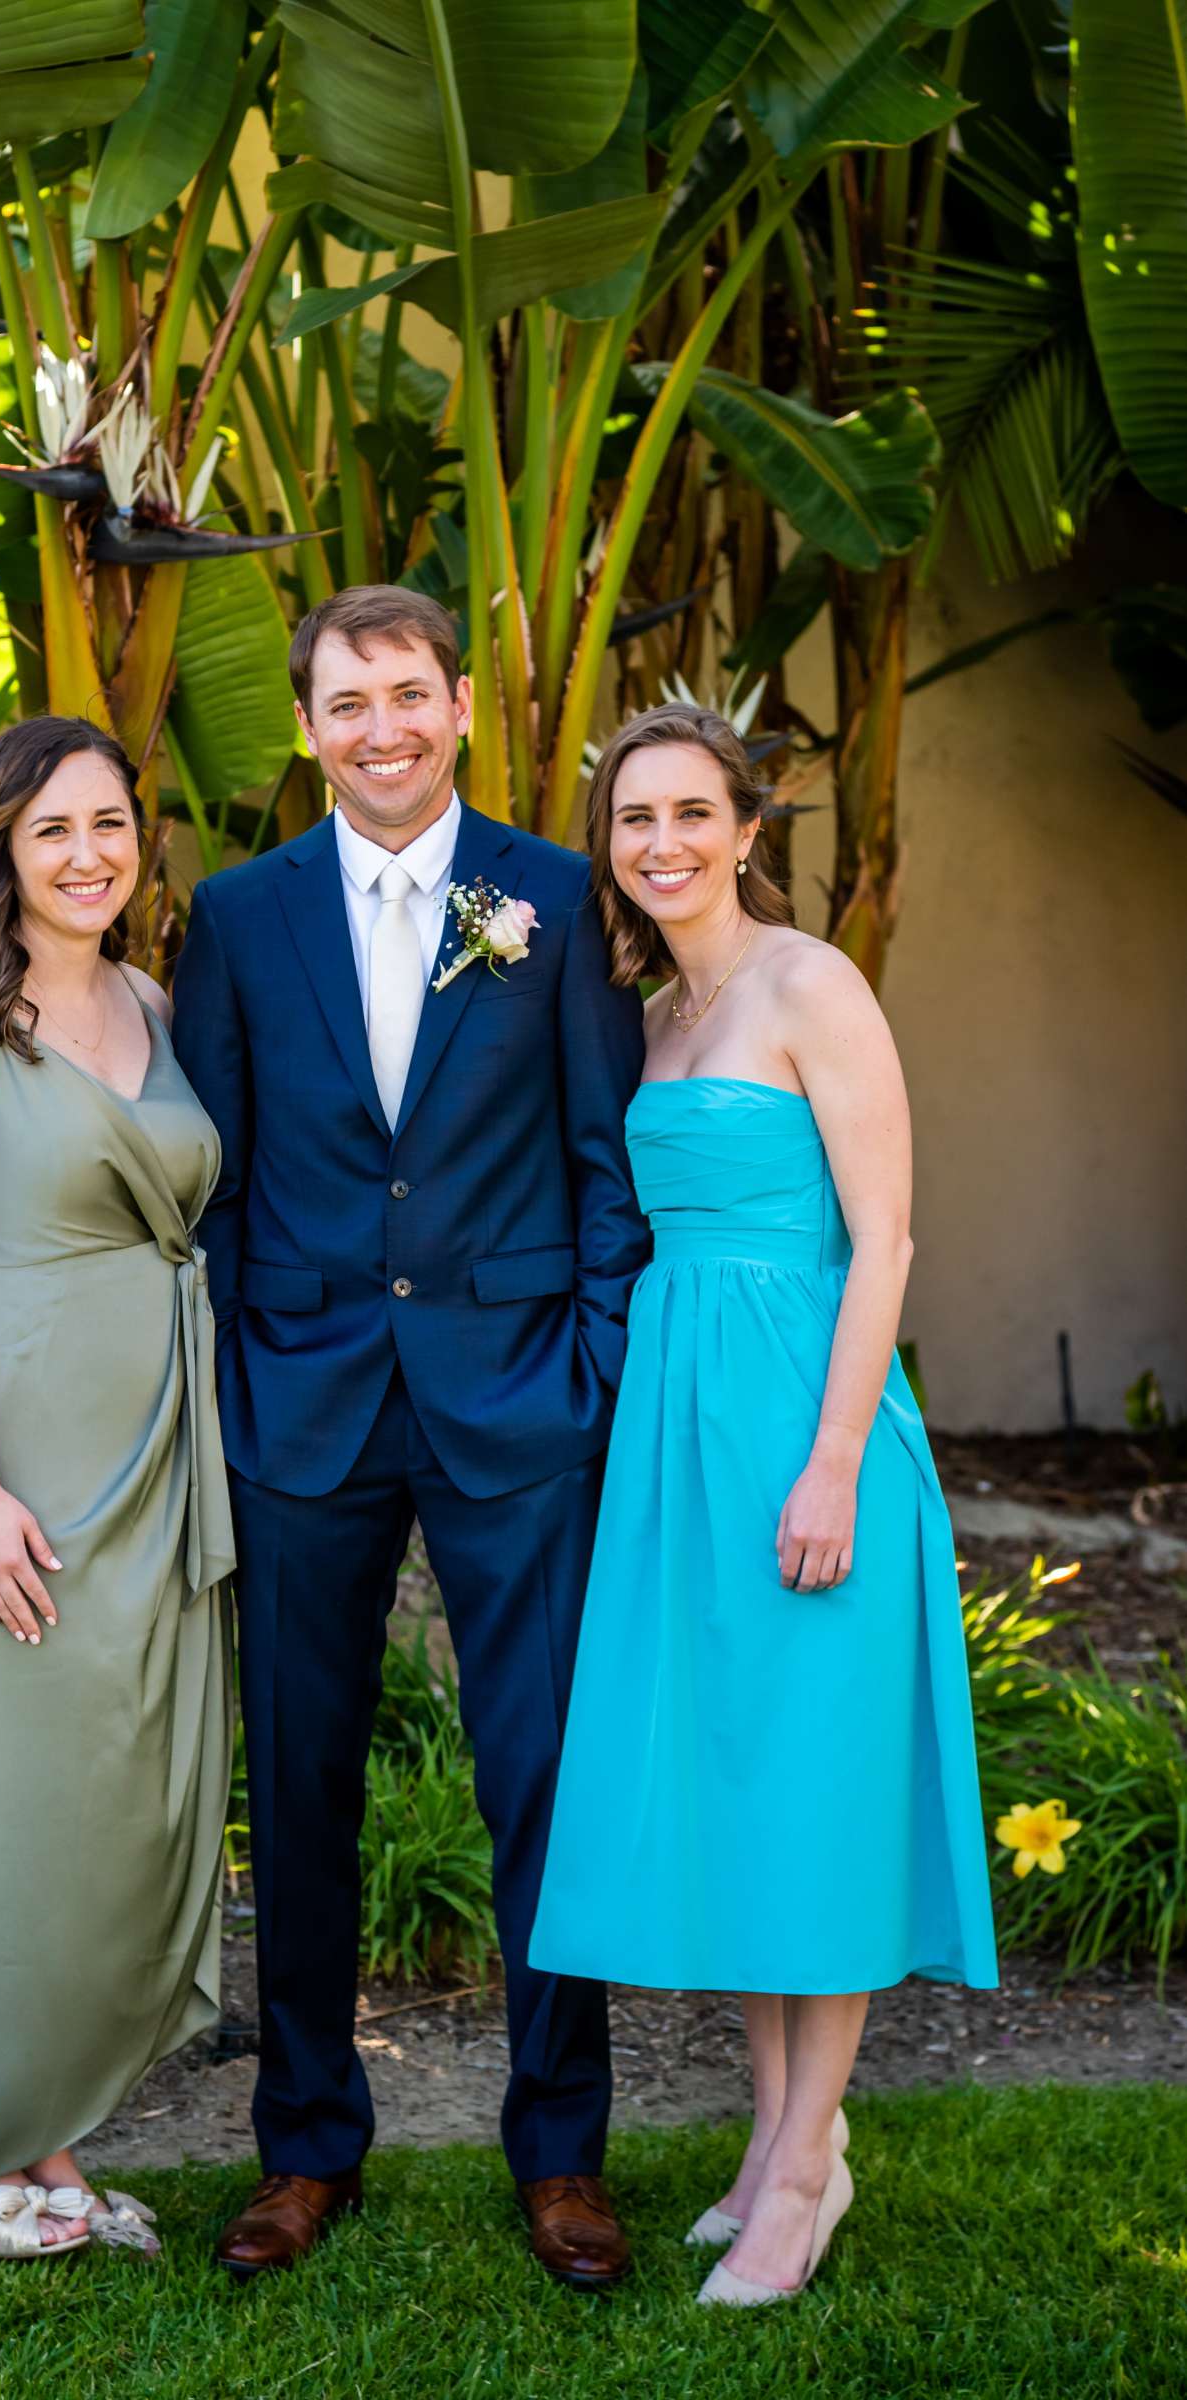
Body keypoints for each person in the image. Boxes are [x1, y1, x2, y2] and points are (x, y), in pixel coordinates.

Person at [172, 587, 649, 2286]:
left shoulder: (554, 894)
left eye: (408, 696)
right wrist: (237, 1375)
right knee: (299, 1782)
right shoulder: (235, 917)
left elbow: (606, 1158)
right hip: (301, 1398)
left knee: (539, 1777)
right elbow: (214, 1180)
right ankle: (306, 2146)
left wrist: (587, 1365)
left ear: (459, 706)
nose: (379, 729)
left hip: (520, 1393)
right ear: (306, 726)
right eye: (345, 704)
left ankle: (560, 2152)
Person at [529, 703, 999, 2307]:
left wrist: (829, 1459)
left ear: (745, 826)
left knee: (812, 1787)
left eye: (687, 813)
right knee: (738, 1783)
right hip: (679, 1436)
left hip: (808, 1420)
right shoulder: (655, 1017)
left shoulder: (812, 985)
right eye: (630, 819)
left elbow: (883, 1240)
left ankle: (809, 2164)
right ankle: (771, 2135)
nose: (658, 843)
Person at [0, 717, 234, 2262]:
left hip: (161, 1437)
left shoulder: (151, 998)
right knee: (27, 1799)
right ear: (0, 853)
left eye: (109, 824)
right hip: (21, 1455)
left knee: (128, 1794)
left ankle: (54, 2142)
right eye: (51, 832)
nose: (88, 854)